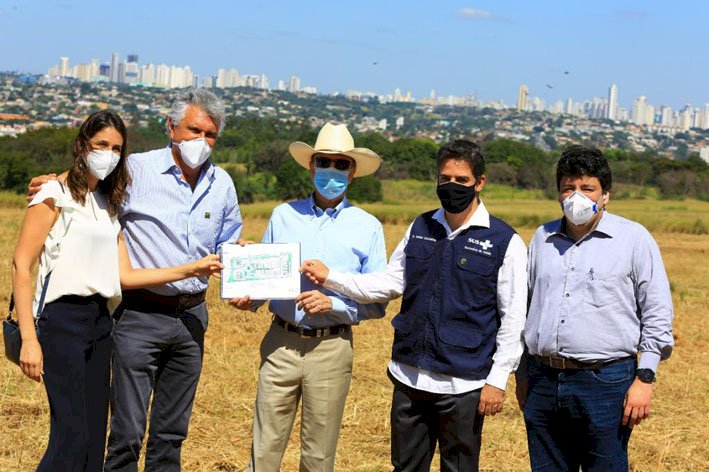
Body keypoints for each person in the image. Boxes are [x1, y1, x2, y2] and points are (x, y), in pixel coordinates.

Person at [29, 88, 242, 471]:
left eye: (210, 135)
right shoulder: (136, 170)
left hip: (192, 318)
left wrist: (246, 280)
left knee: (171, 434)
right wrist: (48, 184)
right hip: (139, 315)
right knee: (125, 433)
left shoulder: (222, 184)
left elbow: (229, 245)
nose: (201, 141)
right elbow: (85, 189)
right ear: (171, 127)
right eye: (194, 130)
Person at [301, 139, 528, 472]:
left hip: (463, 384)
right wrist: (330, 277)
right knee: (405, 468)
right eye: (445, 179)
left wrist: (497, 380)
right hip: (409, 377)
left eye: (461, 180)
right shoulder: (421, 227)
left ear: (480, 182)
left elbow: (513, 318)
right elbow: (389, 282)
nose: (452, 186)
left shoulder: (504, 241)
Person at [230, 122, 387, 471]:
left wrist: (337, 304)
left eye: (341, 163)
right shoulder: (283, 215)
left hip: (331, 349)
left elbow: (378, 300)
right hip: (280, 343)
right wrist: (247, 293)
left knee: (318, 456)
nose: (332, 170)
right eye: (324, 162)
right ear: (311, 166)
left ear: (353, 171)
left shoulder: (368, 226)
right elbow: (266, 278)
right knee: (264, 448)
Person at [515, 145, 674, 471]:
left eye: (587, 188)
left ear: (605, 195)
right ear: (558, 193)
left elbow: (656, 311)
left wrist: (645, 378)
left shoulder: (632, 239)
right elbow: (524, 307)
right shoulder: (542, 238)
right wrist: (522, 374)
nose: (577, 196)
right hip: (543, 379)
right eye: (568, 188)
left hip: (606, 382)